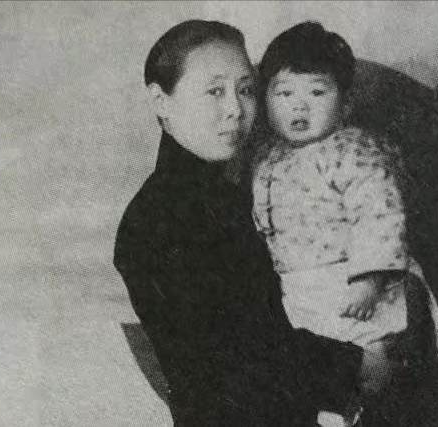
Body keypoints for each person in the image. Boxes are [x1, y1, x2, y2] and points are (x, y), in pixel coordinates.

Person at [113, 20, 368, 426]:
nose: (235, 109)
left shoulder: (227, 195)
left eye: (246, 90)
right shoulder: (156, 220)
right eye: (215, 91)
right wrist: (361, 366)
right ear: (161, 101)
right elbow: (243, 361)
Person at [250, 22, 431, 426]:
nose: (299, 107)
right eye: (284, 94)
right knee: (311, 358)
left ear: (345, 103)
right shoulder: (268, 157)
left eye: (317, 93)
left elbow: (379, 213)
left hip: (348, 279)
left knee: (363, 352)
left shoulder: (353, 151)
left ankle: (362, 401)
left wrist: (369, 279)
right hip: (298, 285)